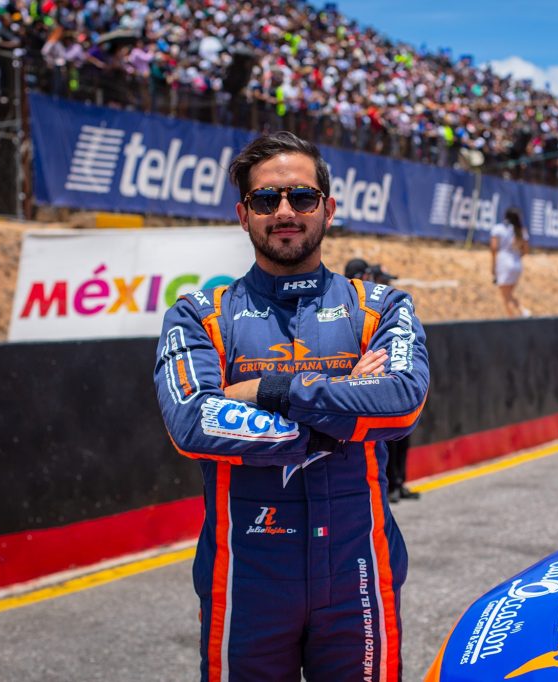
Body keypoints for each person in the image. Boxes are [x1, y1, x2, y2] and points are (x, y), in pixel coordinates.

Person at [154, 131, 430, 682]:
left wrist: (268, 392)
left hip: (361, 571)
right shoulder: (198, 315)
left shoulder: (381, 307)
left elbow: (401, 403)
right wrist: (334, 424)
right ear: (243, 214)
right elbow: (193, 422)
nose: (284, 211)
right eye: (265, 200)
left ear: (328, 209)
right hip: (245, 579)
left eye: (301, 197)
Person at [342, 258, 420, 503]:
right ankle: (390, 486)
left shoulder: (383, 304)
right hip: (366, 386)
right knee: (385, 443)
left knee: (402, 438)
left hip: (389, 378)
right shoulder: (349, 304)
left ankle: (399, 482)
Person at [490, 206, 530, 318]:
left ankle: (515, 317)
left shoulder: (498, 229)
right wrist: (517, 256)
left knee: (506, 296)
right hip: (517, 262)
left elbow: (494, 248)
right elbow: (526, 250)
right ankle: (522, 312)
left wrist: (493, 266)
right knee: (509, 294)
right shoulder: (521, 231)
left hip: (504, 262)